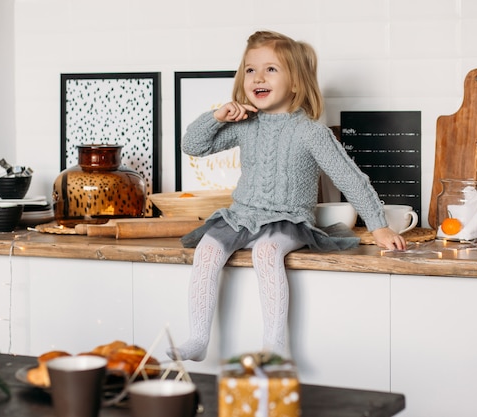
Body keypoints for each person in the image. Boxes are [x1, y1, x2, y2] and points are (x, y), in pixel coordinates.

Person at [169, 30, 406, 362]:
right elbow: (193, 145)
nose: (258, 77)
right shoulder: (243, 125)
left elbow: (350, 178)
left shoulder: (310, 131)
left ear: (295, 83)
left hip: (287, 219)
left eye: (271, 69)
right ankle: (197, 338)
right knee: (207, 251)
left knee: (266, 253)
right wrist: (216, 116)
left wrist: (378, 225)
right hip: (242, 217)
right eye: (250, 70)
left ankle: (275, 346)